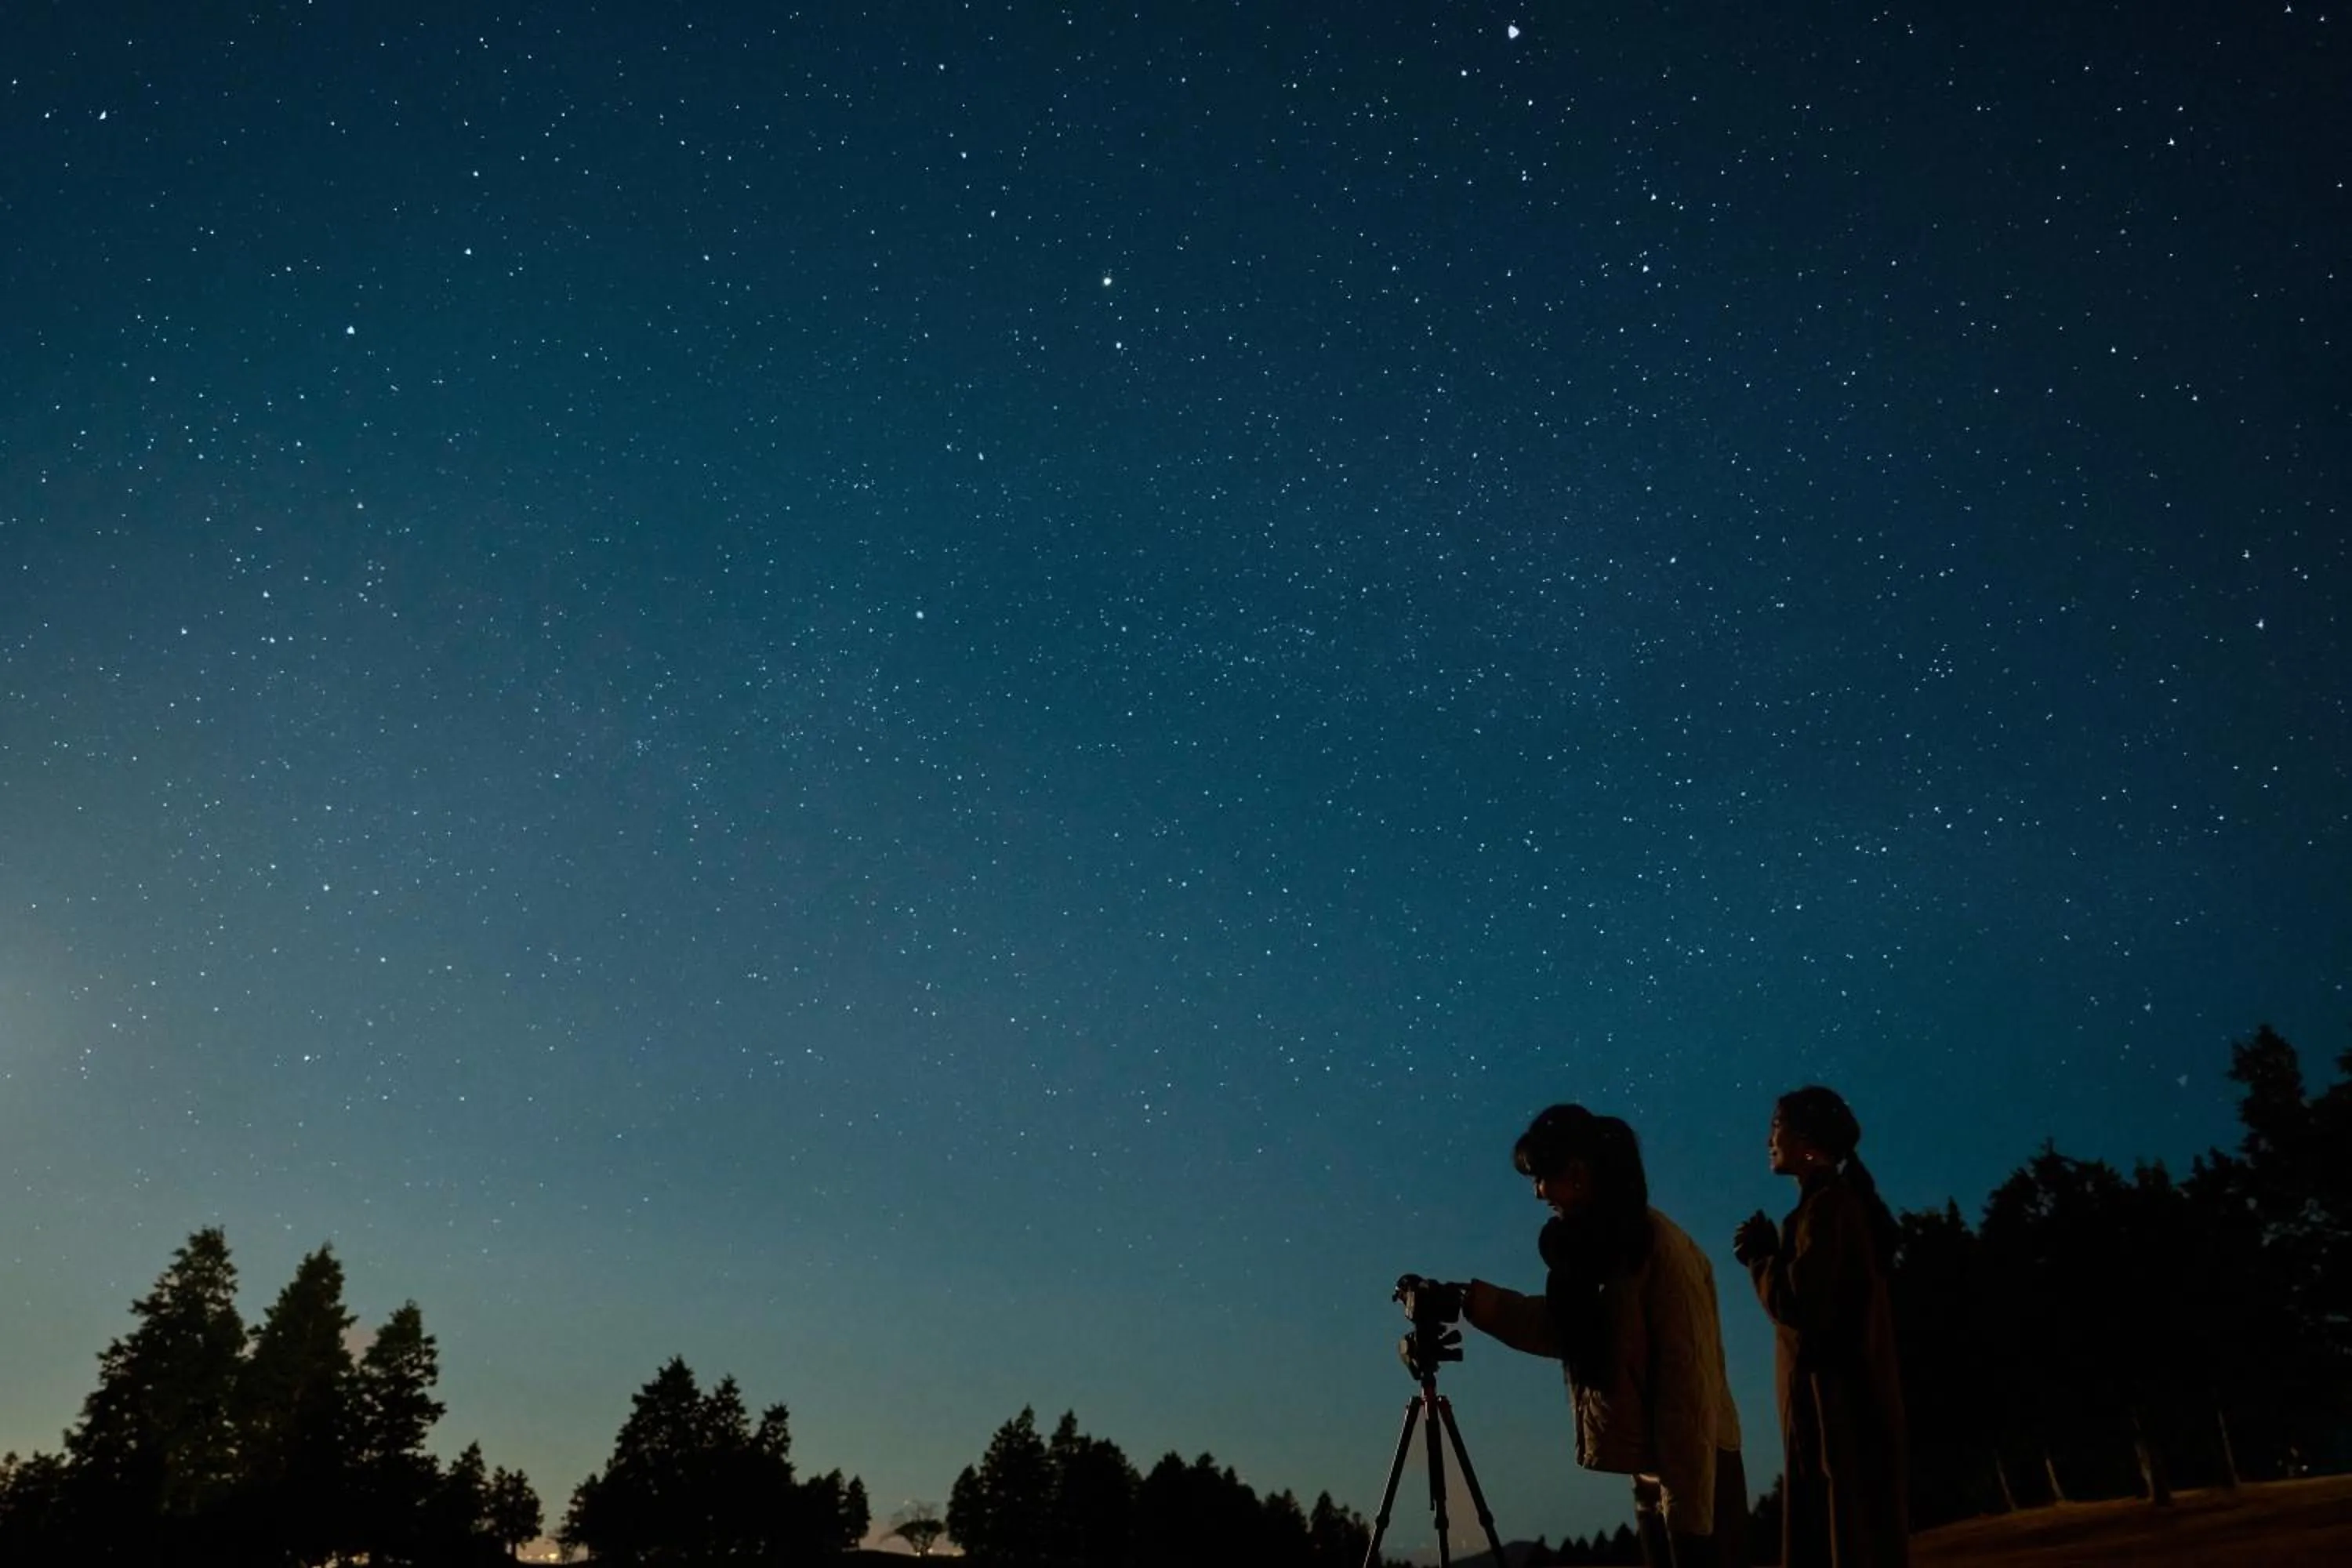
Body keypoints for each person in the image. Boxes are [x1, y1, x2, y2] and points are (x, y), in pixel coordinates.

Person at [1462, 1105, 1749, 1567]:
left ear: (1577, 1173)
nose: (1537, 1193)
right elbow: (1566, 1329)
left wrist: (1690, 1527)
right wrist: (1479, 1303)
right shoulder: (1602, 1251)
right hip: (1658, 1475)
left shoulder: (1657, 1249)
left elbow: (1688, 1390)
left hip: (1698, 1477)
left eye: (1541, 1177)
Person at [1733, 1086, 1908, 1567]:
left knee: (1841, 1535)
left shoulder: (1828, 1209)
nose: (1768, 1138)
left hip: (1833, 1420)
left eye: (1776, 1126)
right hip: (1837, 1415)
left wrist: (1760, 1258)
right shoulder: (1833, 1207)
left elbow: (1800, 1306)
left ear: (1806, 1139)